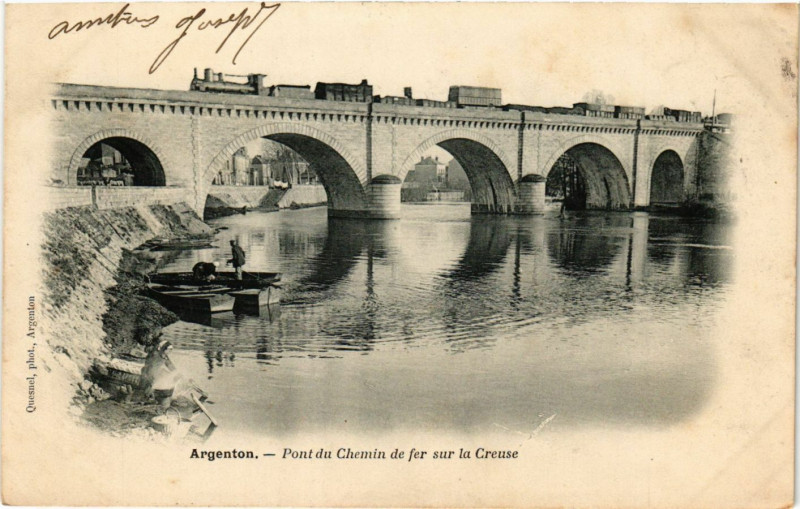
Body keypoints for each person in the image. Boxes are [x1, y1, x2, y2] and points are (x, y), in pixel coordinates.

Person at [141, 340, 179, 410]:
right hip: (148, 373)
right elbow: (150, 367)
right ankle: (148, 398)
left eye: (171, 350)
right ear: (164, 348)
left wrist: (177, 374)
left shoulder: (164, 356)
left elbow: (170, 365)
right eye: (169, 349)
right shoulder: (155, 355)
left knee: (171, 378)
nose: (170, 351)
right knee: (152, 384)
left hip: (155, 372)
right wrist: (154, 378)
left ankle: (160, 398)